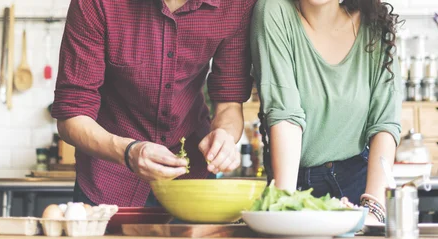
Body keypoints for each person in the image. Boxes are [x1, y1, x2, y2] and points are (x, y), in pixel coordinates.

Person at [51, 0, 257, 208]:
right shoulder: (98, 3)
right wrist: (128, 152)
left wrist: (225, 135)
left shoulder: (236, 4)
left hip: (192, 182)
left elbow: (229, 104)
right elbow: (71, 116)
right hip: (108, 179)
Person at [250, 0, 403, 224]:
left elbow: (385, 124)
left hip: (360, 189)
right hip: (297, 184)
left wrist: (374, 209)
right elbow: (284, 116)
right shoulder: (274, 11)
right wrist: (284, 204)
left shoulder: (374, 24)